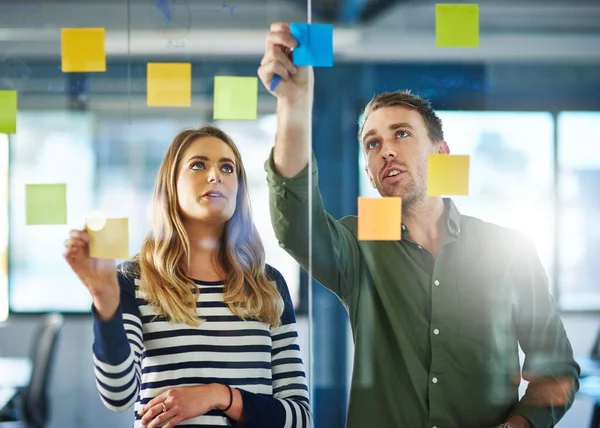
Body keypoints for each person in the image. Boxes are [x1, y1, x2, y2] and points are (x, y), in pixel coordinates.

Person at [257, 22, 580, 428]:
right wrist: (293, 104)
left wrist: (518, 425)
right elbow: (294, 221)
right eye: (372, 144)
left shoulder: (509, 249)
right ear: (370, 172)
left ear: (441, 152)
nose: (386, 150)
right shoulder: (360, 244)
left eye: (401, 134)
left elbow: (557, 371)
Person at [63, 125, 311, 428]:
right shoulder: (133, 280)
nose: (215, 175)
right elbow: (118, 395)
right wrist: (105, 299)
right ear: (171, 185)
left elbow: (299, 418)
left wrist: (219, 396)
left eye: (227, 167)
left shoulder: (268, 284)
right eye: (198, 165)